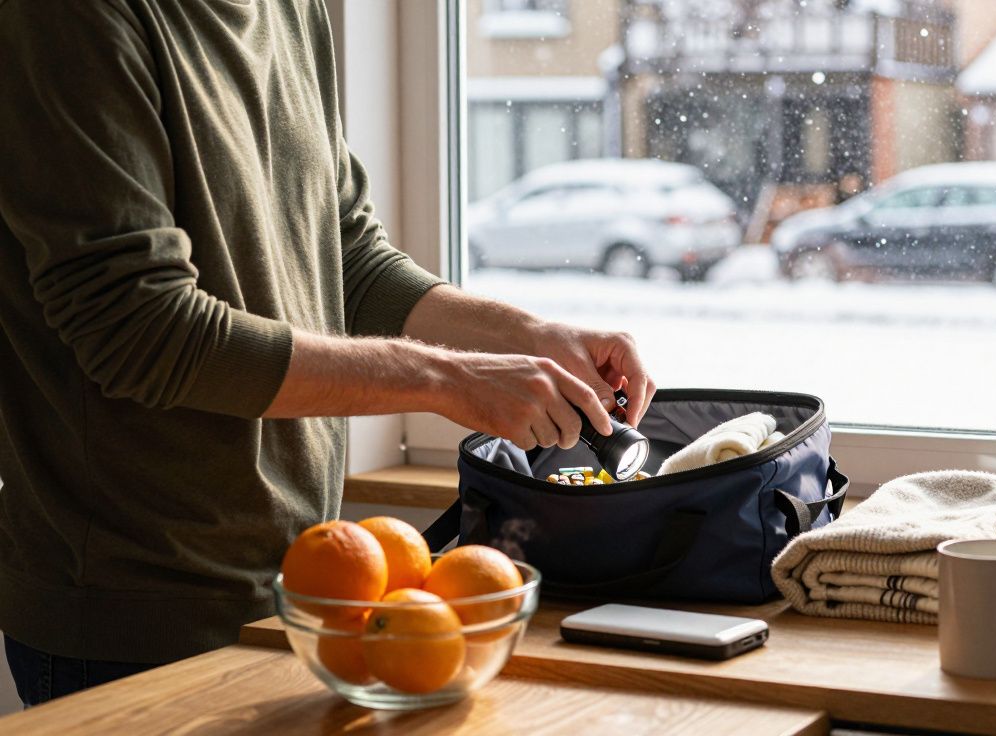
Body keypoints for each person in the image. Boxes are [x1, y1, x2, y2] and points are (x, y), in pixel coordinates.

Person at [0, 0, 654, 706]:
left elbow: (345, 253)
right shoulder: (64, 18)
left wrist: (527, 336)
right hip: (136, 614)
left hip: (310, 589)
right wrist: (447, 379)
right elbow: (140, 329)